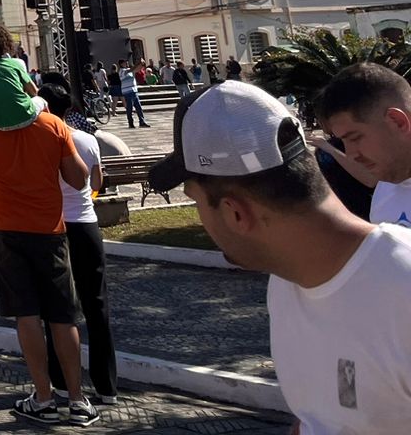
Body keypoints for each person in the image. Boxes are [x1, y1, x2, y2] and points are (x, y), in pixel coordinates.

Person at [149, 81, 411, 434]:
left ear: (234, 213)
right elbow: (318, 418)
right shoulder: (287, 285)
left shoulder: (402, 290)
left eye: (196, 201)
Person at [0, 98, 97, 425]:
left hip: (5, 230)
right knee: (63, 315)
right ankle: (76, 399)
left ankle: (44, 398)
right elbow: (78, 178)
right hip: (49, 229)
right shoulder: (51, 124)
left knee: (27, 314)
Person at [38, 83, 117, 406]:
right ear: (69, 108)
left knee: (57, 309)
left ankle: (59, 381)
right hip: (86, 225)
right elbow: (96, 182)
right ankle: (107, 386)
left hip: (55, 228)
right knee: (96, 305)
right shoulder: (87, 140)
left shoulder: (41, 139)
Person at [313, 63, 411, 228]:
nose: (351, 154)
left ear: (398, 122)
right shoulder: (385, 193)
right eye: (342, 141)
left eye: (355, 138)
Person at [118, 60, 149, 129]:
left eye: (127, 62)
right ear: (121, 64)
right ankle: (131, 123)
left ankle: (142, 122)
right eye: (125, 63)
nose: (127, 63)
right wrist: (138, 63)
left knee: (139, 108)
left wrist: (142, 64)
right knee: (130, 108)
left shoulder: (128, 70)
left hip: (134, 91)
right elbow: (132, 69)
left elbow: (137, 69)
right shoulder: (122, 71)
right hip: (128, 92)